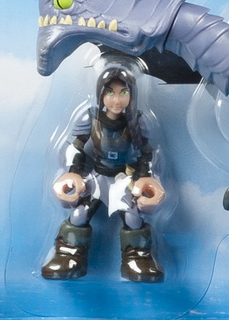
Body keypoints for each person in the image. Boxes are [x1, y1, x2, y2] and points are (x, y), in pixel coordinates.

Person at [41, 61, 165, 282]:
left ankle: (138, 259)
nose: (117, 100)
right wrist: (73, 172)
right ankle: (68, 255)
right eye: (110, 92)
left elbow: (147, 153)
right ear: (101, 94)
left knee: (132, 218)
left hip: (121, 179)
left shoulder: (136, 122)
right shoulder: (91, 118)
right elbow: (75, 147)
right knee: (79, 214)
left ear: (131, 95)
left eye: (123, 92)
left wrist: (145, 177)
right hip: (96, 177)